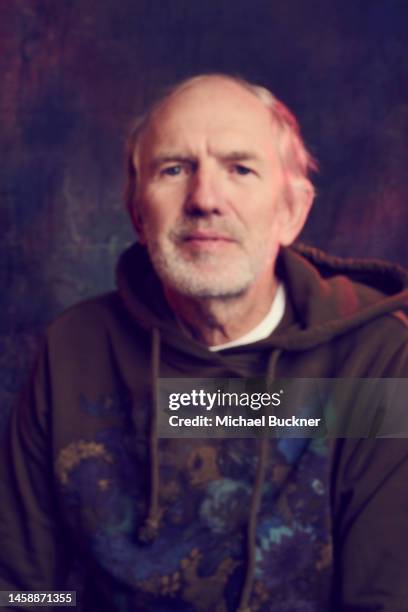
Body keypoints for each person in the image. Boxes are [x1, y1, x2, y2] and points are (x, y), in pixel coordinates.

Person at [1, 73, 407, 612]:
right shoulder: (74, 349)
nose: (204, 198)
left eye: (240, 168)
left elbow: (383, 600)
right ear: (138, 214)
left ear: (291, 211)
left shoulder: (373, 361)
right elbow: (23, 593)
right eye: (174, 169)